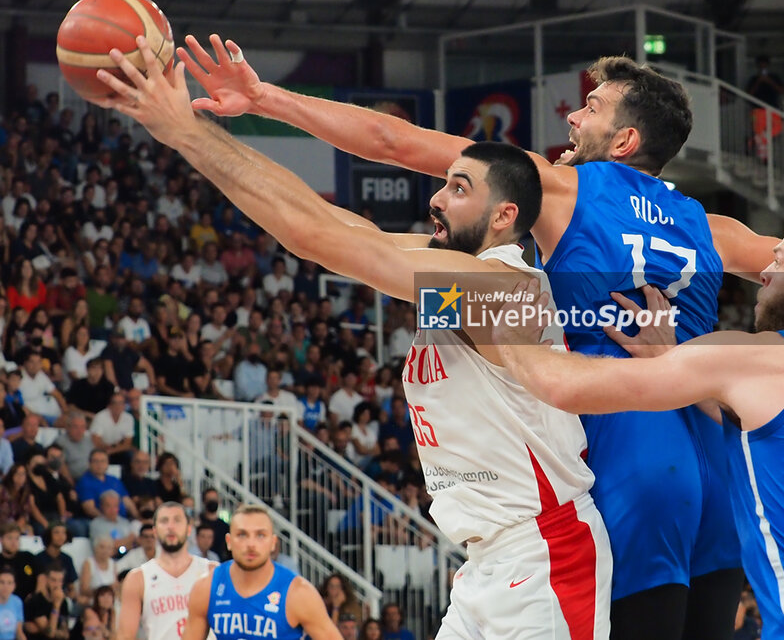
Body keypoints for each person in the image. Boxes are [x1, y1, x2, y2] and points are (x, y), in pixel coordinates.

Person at [165, 37, 784, 640]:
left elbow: (394, 147)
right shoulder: (708, 226)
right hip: (713, 475)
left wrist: (269, 99)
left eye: (590, 108)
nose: (573, 116)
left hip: (619, 459)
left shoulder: (558, 189)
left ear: (622, 141)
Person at [98, 45, 613, 640]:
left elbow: (316, 237)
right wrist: (208, 128)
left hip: (546, 553)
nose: (436, 199)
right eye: (443, 185)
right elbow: (335, 228)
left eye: (459, 188)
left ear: (504, 216)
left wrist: (187, 132)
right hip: (492, 563)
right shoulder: (454, 277)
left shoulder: (498, 290)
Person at [495, 203, 784, 639]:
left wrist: (496, 319)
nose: (763, 274)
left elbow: (565, 388)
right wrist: (673, 358)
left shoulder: (761, 356)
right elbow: (771, 421)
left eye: (780, 262)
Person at [180, 504, 341, 640]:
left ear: (273, 543)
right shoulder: (206, 588)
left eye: (260, 535)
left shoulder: (298, 592)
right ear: (229, 542)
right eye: (242, 535)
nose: (251, 544)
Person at [117, 502, 214, 640]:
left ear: (189, 529)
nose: (170, 527)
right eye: (164, 521)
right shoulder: (138, 578)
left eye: (177, 520)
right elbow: (125, 636)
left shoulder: (212, 571)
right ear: (155, 531)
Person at [23, 564, 70, 640]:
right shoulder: (35, 601)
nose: (57, 585)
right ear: (46, 579)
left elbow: (65, 634)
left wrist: (56, 632)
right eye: (53, 580)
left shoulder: (63, 602)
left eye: (60, 581)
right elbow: (49, 633)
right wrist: (56, 606)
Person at [0, 567, 24, 640]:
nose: (5, 586)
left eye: (9, 583)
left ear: (14, 586)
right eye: (2, 582)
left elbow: (19, 632)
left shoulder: (17, 602)